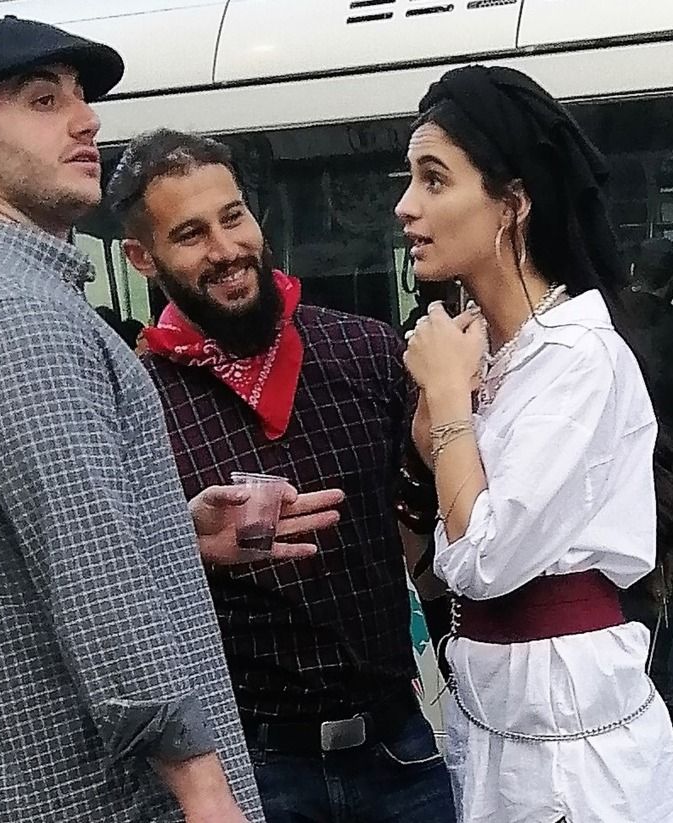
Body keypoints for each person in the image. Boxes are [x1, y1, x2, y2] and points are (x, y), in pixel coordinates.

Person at [0, 17, 341, 823]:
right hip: (95, 797)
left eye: (81, 97)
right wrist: (206, 792)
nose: (86, 120)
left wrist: (171, 533)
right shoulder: (16, 314)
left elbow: (20, 552)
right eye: (43, 100)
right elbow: (96, 585)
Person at [106, 129, 455, 823]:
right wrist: (189, 544)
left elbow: (424, 517)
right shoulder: (133, 401)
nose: (226, 249)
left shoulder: (365, 352)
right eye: (191, 234)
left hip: (400, 749)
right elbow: (112, 586)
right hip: (252, 768)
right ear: (142, 257)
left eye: (233, 217)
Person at [396, 64, 673, 822]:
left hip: (569, 757)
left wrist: (447, 404)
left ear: (513, 203)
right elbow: (444, 559)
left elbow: (485, 559)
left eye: (434, 179)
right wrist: (435, 435)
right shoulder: (492, 355)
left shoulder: (578, 357)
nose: (406, 206)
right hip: (499, 726)